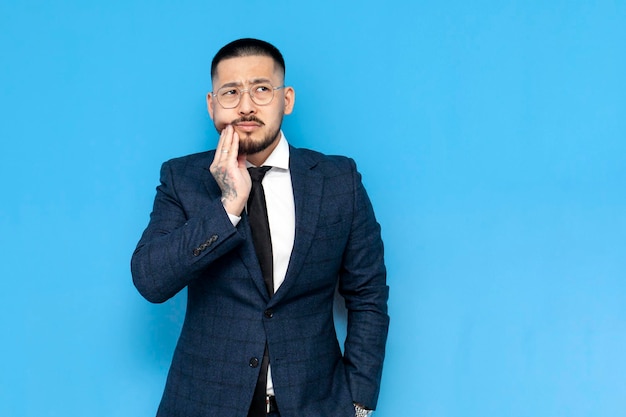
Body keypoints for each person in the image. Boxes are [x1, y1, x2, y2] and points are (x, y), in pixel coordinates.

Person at [131, 38, 389, 417]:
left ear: (286, 99)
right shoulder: (182, 178)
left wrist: (359, 401)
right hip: (205, 404)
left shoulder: (339, 181)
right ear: (212, 105)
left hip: (314, 405)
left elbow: (368, 295)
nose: (247, 105)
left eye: (261, 89)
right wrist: (228, 206)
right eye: (231, 92)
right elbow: (150, 280)